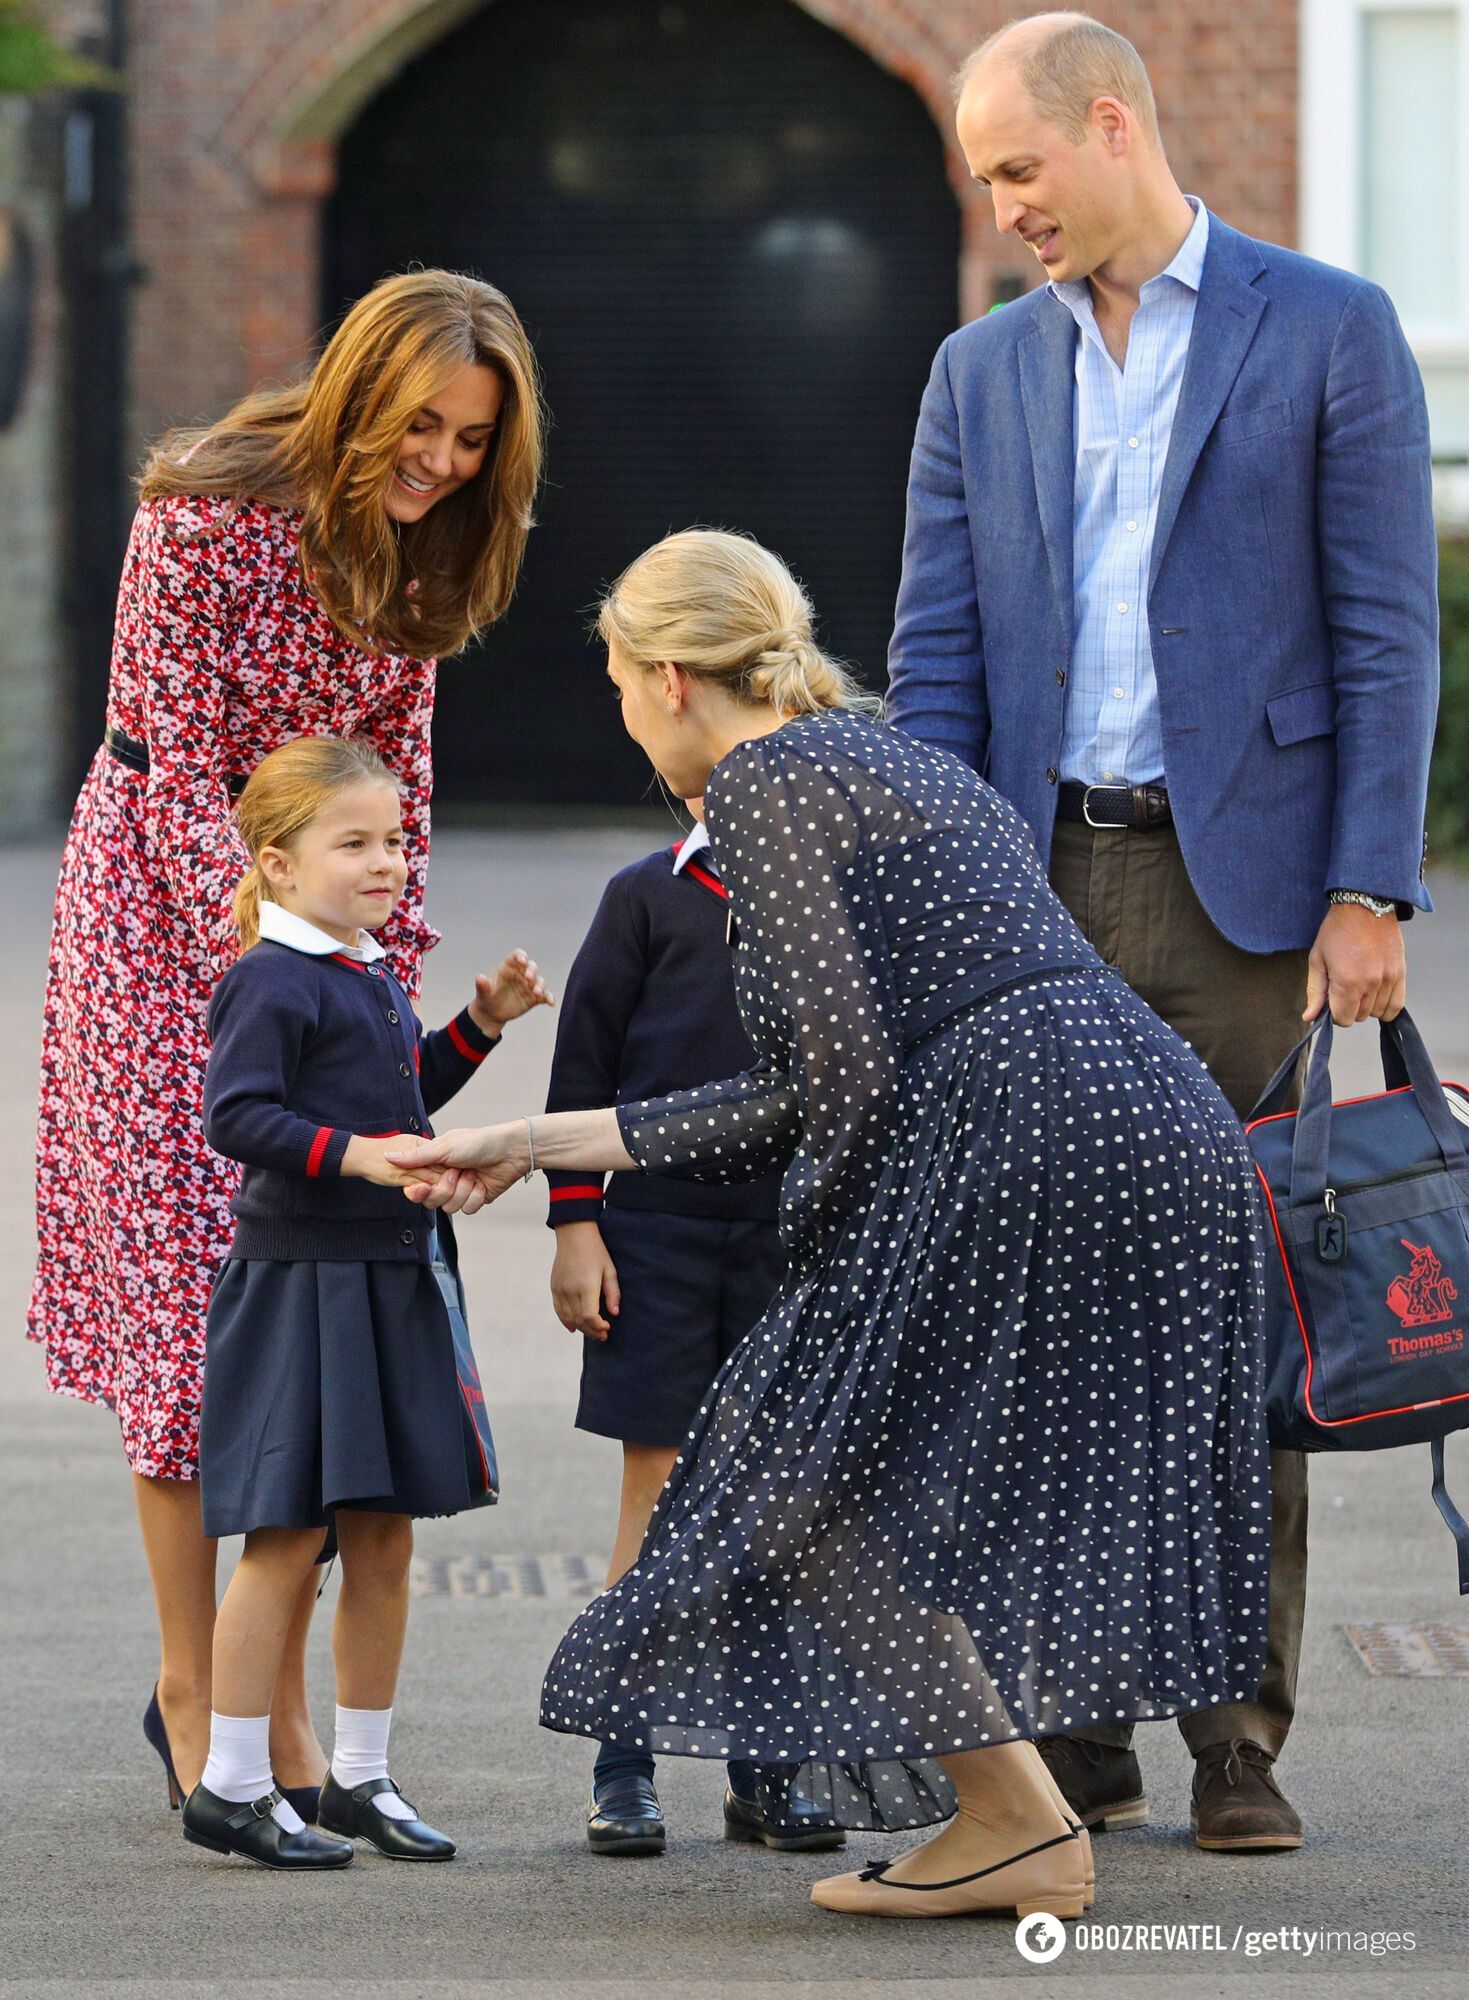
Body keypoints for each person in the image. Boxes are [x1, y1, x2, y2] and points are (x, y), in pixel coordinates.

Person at [386, 527, 1271, 1922]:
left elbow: (821, 1087)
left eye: (617, 684)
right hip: (1147, 1122)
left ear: (672, 676)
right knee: (899, 1482)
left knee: (794, 1473)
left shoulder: (763, 784)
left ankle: (1014, 1822)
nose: (623, 719)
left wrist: (819, 1287)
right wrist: (535, 1142)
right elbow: (821, 1074)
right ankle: (1018, 1816)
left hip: (1014, 1133)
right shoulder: (898, 755)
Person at [885, 12, 1439, 1852]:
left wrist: (1365, 889)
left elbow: (1381, 629)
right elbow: (934, 658)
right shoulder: (974, 374)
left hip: (1245, 905)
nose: (1001, 207)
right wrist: (932, 906)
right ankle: (1074, 1730)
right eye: (985, 182)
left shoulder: (1325, 326)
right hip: (1034, 888)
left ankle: (1234, 1742)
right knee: (1040, 1315)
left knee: (1226, 1307)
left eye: (1015, 169)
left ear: (1106, 126)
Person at [28, 268, 543, 1816]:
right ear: (359, 387)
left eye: (474, 442)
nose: (445, 461)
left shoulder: (427, 548)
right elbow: (181, 772)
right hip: (156, 925)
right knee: (199, 1329)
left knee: (313, 1324)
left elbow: (404, 786)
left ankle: (274, 1715)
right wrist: (285, 967)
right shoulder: (202, 511)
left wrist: (380, 987)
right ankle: (201, 1697)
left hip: (320, 937)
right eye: (427, 425)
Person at [179, 734, 551, 1869]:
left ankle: (359, 1774)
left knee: (385, 1537)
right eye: (355, 842)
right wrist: (361, 1159)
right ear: (279, 863)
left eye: (394, 839)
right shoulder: (269, 974)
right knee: (285, 1536)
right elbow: (237, 1117)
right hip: (303, 1286)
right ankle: (232, 1785)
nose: (386, 860)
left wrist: (478, 1025)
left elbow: (397, 1096)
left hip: (392, 1279)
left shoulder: (364, 964)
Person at [543, 799, 810, 1857]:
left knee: (780, 1508)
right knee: (652, 1500)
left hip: (791, 1236)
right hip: (650, 1230)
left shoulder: (830, 902)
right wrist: (575, 1226)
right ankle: (622, 1759)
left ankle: (768, 1765)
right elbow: (580, 1072)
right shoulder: (644, 895)